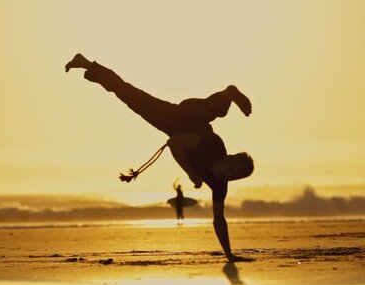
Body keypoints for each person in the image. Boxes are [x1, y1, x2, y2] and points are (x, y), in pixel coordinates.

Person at [66, 53, 254, 262]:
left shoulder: (220, 184)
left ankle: (84, 63)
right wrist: (191, 174)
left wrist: (230, 255)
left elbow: (219, 219)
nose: (225, 174)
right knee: (212, 111)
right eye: (229, 168)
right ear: (229, 158)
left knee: (126, 93)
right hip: (181, 116)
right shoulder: (213, 146)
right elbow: (175, 143)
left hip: (177, 124)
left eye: (231, 176)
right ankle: (229, 94)